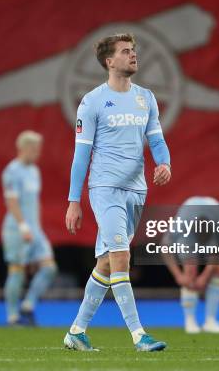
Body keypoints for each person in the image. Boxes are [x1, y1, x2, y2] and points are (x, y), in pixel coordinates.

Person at [64, 33, 171, 352]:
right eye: (126, 51)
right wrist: (74, 201)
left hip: (136, 191)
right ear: (109, 61)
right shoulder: (92, 101)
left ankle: (76, 332)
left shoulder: (146, 97)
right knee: (122, 256)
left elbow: (156, 140)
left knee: (107, 264)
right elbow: (81, 155)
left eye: (134, 50)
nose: (133, 55)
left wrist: (164, 163)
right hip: (105, 190)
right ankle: (140, 335)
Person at [2, 130, 57, 326]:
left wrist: (37, 227)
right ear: (23, 148)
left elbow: (35, 202)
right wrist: (23, 225)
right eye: (35, 149)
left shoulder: (34, 171)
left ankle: (28, 304)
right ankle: (12, 316)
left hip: (35, 229)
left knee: (49, 268)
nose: (38, 153)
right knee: (17, 271)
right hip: (16, 228)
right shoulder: (12, 171)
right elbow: (12, 202)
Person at [162, 196, 219, 334]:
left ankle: (210, 321)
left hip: (212, 216)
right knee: (189, 272)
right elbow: (165, 248)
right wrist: (178, 275)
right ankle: (190, 321)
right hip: (189, 223)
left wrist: (204, 277)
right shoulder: (182, 227)